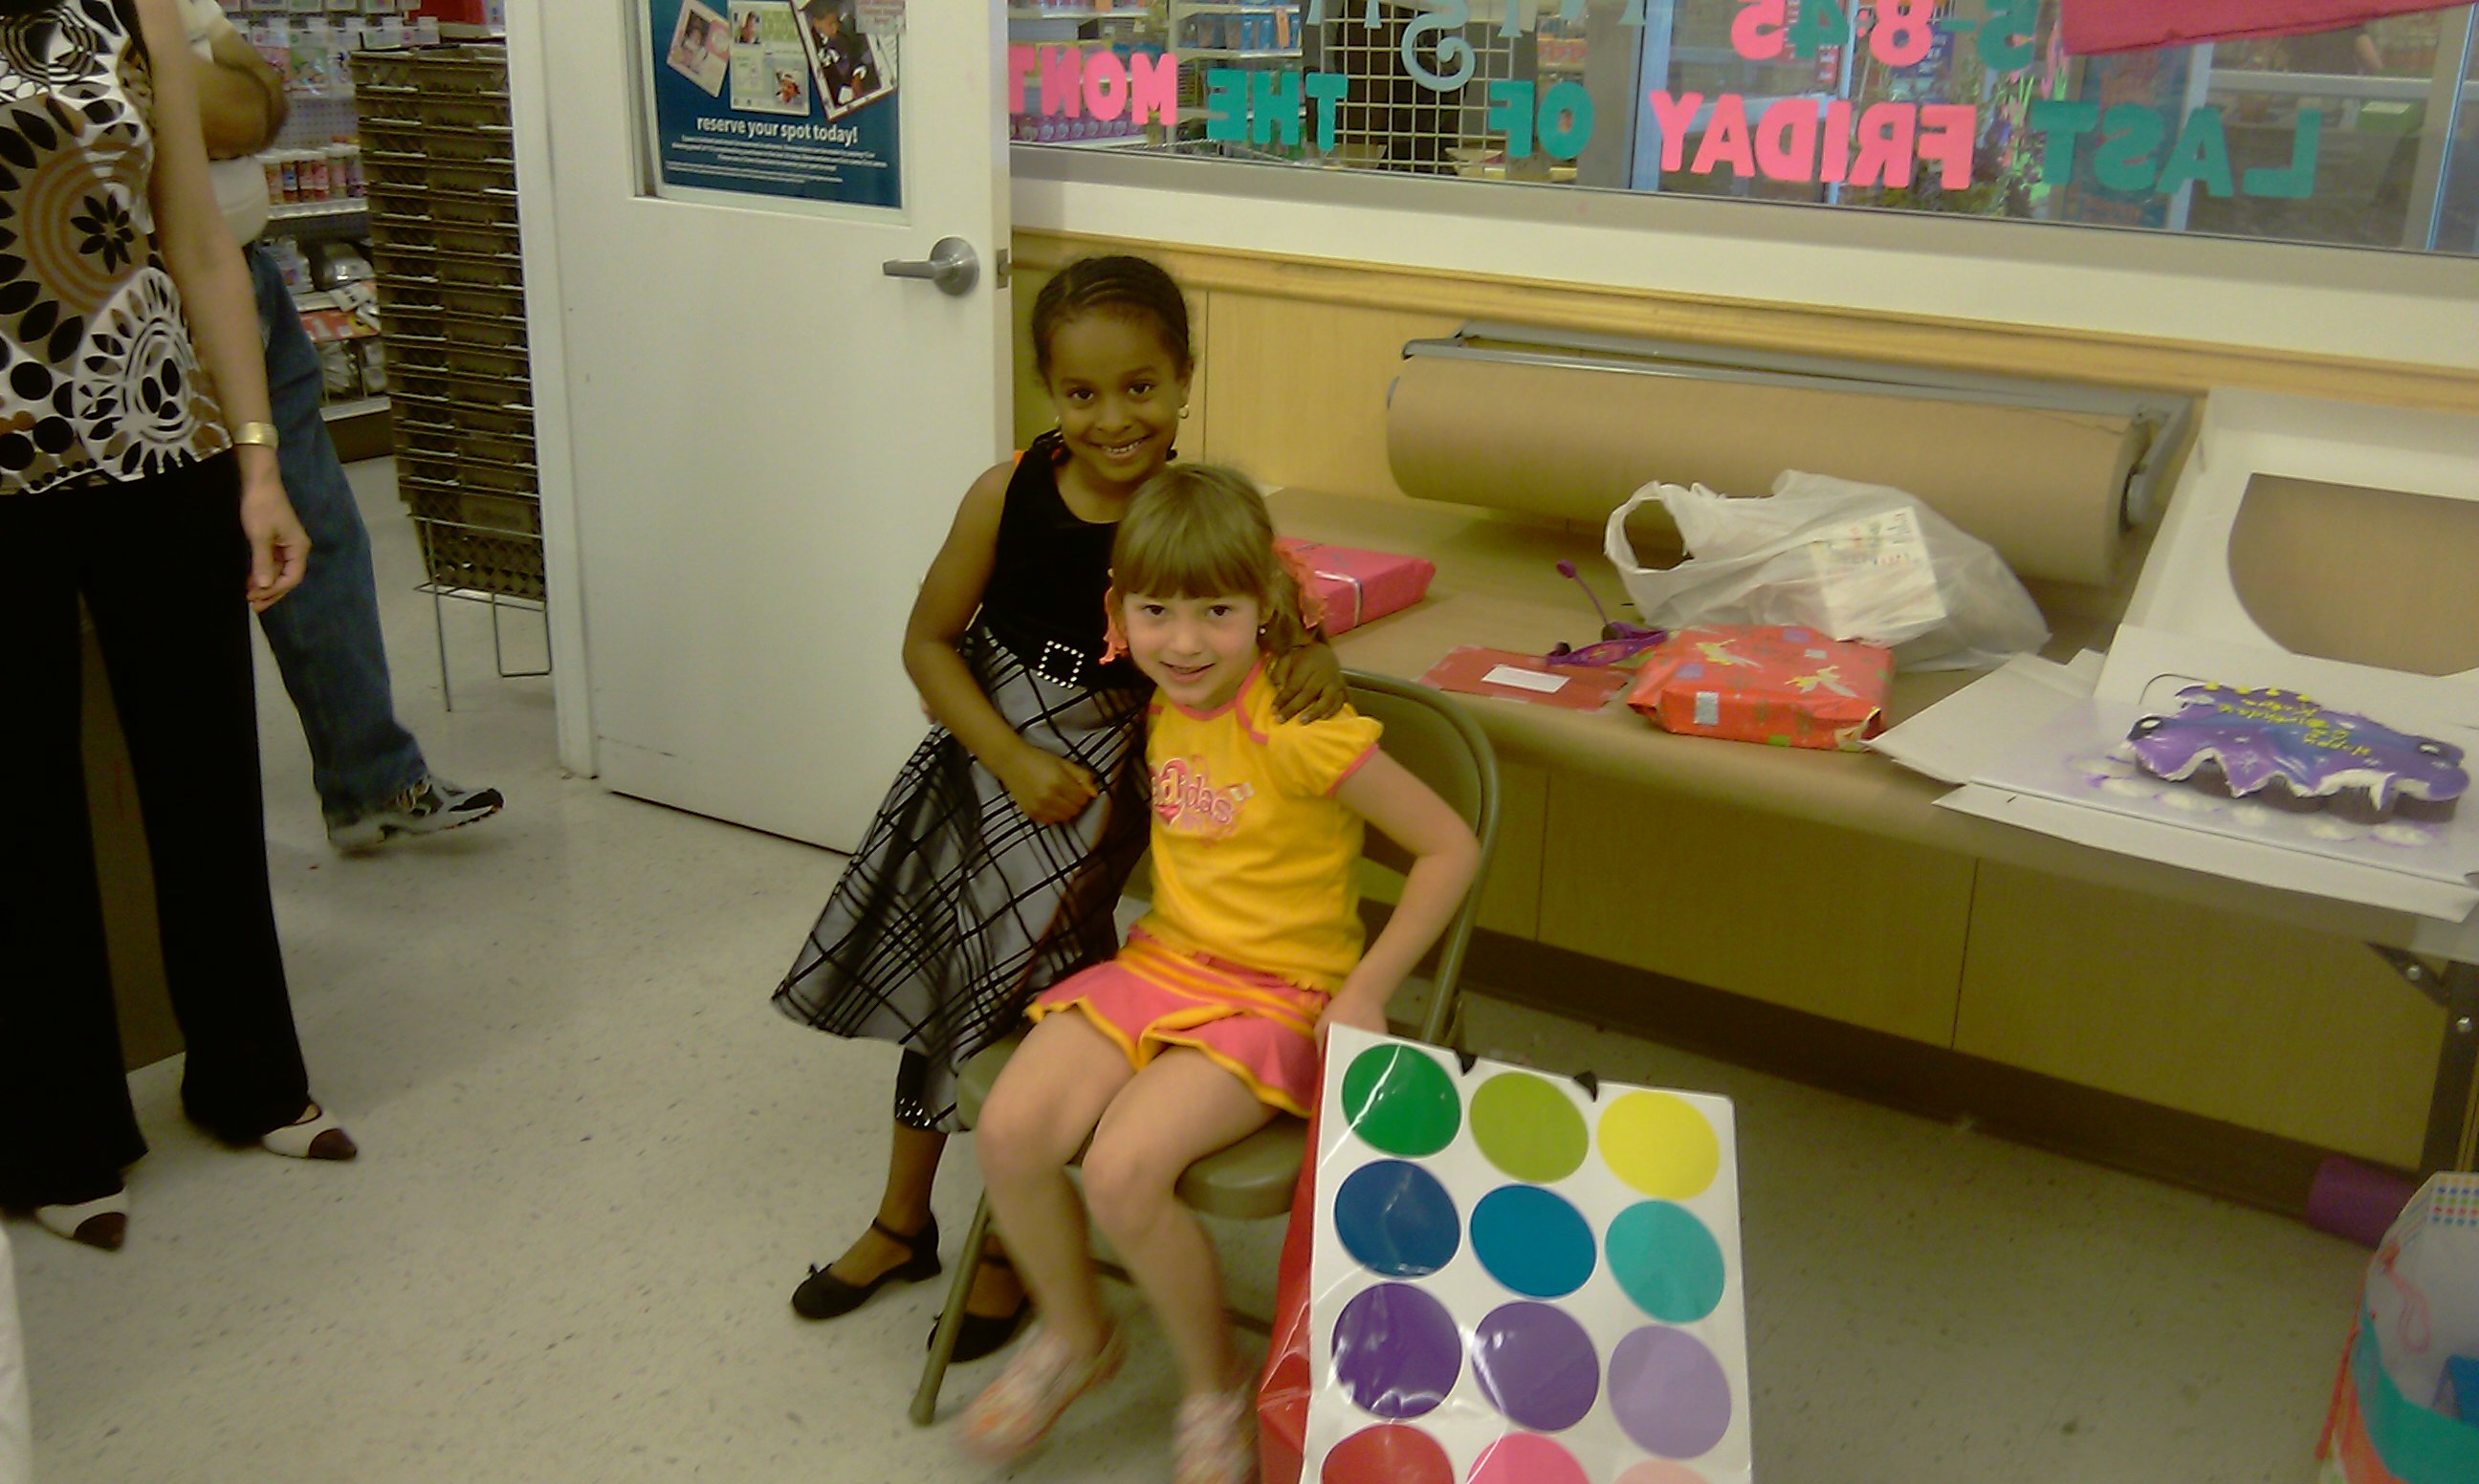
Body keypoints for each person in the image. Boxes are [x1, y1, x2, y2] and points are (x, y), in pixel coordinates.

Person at [771, 256, 1344, 1361]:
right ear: (1048, 390)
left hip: (1091, 809)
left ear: (1184, 380)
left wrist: (1314, 652)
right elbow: (927, 643)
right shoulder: (1008, 491)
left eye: (1141, 387)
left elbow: (1277, 621)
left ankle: (1001, 1251)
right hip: (979, 777)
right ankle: (904, 1221)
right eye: (1083, 393)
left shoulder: (1199, 513)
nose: (1114, 418)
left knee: (1017, 1005)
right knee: (946, 996)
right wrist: (1008, 754)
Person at [957, 465, 1481, 1483]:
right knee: (1011, 1129)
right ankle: (1078, 1335)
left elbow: (1448, 845)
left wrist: (1368, 987)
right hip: (1161, 964)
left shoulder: (1299, 723)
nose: (1185, 642)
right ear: (1119, 611)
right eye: (1156, 611)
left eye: (1217, 612)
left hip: (1275, 996)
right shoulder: (1159, 697)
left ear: (1262, 606)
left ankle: (1212, 1385)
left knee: (1123, 1171)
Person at [0, 0, 357, 1251]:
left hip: (156, 432)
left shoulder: (131, 7)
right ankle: (55, 1131)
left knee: (205, 769)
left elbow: (198, 240)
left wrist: (258, 461)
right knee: (21, 803)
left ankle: (250, 1074)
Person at [185, 0, 503, 849]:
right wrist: (197, 90)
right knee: (176, 568)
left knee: (319, 531)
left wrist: (194, 93)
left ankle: (371, 779)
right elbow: (209, 108)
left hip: (242, 275)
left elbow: (258, 105)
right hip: (144, 300)